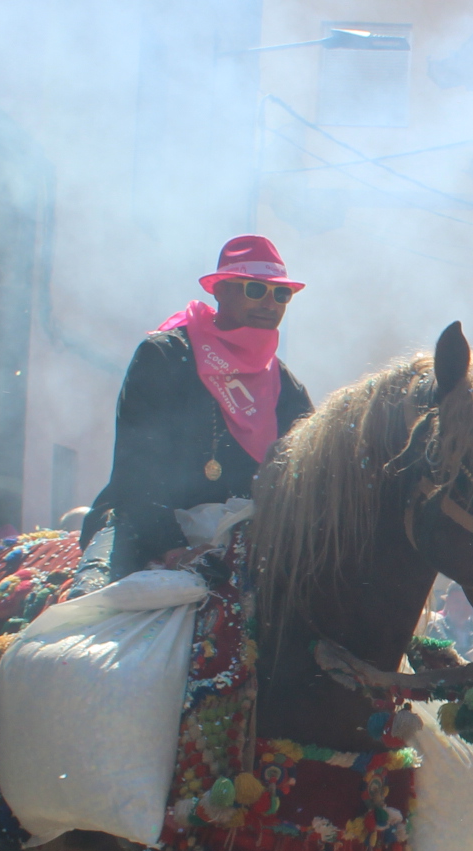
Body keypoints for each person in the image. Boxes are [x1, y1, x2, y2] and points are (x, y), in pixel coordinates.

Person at [75, 235, 314, 590]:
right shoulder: (164, 356)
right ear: (220, 290)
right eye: (255, 290)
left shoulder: (285, 386)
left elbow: (307, 477)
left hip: (243, 543)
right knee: (82, 624)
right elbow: (136, 469)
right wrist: (172, 548)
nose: (270, 302)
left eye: (281, 294)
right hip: (144, 528)